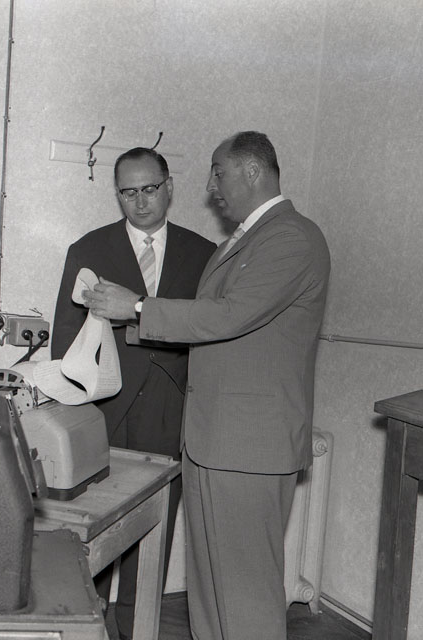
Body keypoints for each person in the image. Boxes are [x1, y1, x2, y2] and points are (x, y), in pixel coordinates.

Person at [82, 131, 331, 640]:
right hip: (214, 440)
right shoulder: (242, 241)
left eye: (219, 173)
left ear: (252, 171)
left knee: (245, 593)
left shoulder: (291, 237)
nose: (212, 188)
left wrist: (137, 307)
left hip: (249, 445)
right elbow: (212, 323)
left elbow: (229, 315)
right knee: (211, 589)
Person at [51, 147, 216, 640]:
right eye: (129, 192)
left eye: (150, 189)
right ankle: (87, 626)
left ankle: (135, 627)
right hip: (104, 409)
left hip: (173, 403)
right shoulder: (88, 249)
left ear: (169, 187)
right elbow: (66, 340)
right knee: (90, 529)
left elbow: (211, 334)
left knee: (155, 531)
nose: (141, 202)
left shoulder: (205, 254)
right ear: (117, 194)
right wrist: (71, 413)